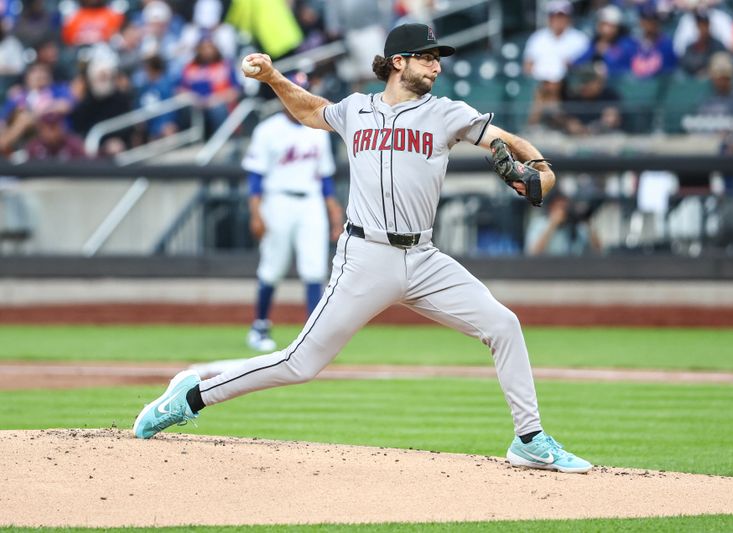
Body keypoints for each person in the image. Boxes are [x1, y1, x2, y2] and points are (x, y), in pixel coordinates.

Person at [133, 23, 593, 474]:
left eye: (438, 59)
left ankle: (530, 440)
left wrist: (540, 167)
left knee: (504, 325)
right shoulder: (357, 109)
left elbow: (507, 141)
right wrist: (274, 77)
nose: (436, 66)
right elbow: (312, 111)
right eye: (428, 57)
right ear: (400, 62)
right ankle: (191, 396)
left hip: (425, 258)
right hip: (366, 257)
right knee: (300, 363)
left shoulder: (447, 112)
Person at [244, 72, 344, 352]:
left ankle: (314, 335)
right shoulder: (268, 130)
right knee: (272, 268)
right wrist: (256, 212)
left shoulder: (318, 130)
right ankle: (260, 326)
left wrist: (334, 214)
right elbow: (255, 177)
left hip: (310, 201)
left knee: (314, 268)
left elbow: (325, 178)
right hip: (277, 201)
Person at [525, 191, 601, 256]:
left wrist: (589, 224)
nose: (564, 211)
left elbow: (598, 251)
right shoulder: (540, 224)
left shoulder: (575, 226)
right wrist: (552, 225)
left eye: (566, 207)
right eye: (561, 207)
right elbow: (533, 253)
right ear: (551, 208)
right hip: (546, 269)